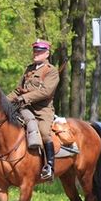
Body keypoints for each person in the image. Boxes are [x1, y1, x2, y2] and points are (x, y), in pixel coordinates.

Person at [7, 39, 60, 180]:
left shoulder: (51, 71)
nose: (35, 53)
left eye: (39, 51)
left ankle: (49, 166)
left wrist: (24, 98)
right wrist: (4, 101)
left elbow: (46, 92)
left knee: (44, 132)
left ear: (47, 53)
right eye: (35, 51)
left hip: (42, 110)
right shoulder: (29, 69)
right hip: (24, 108)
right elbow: (18, 90)